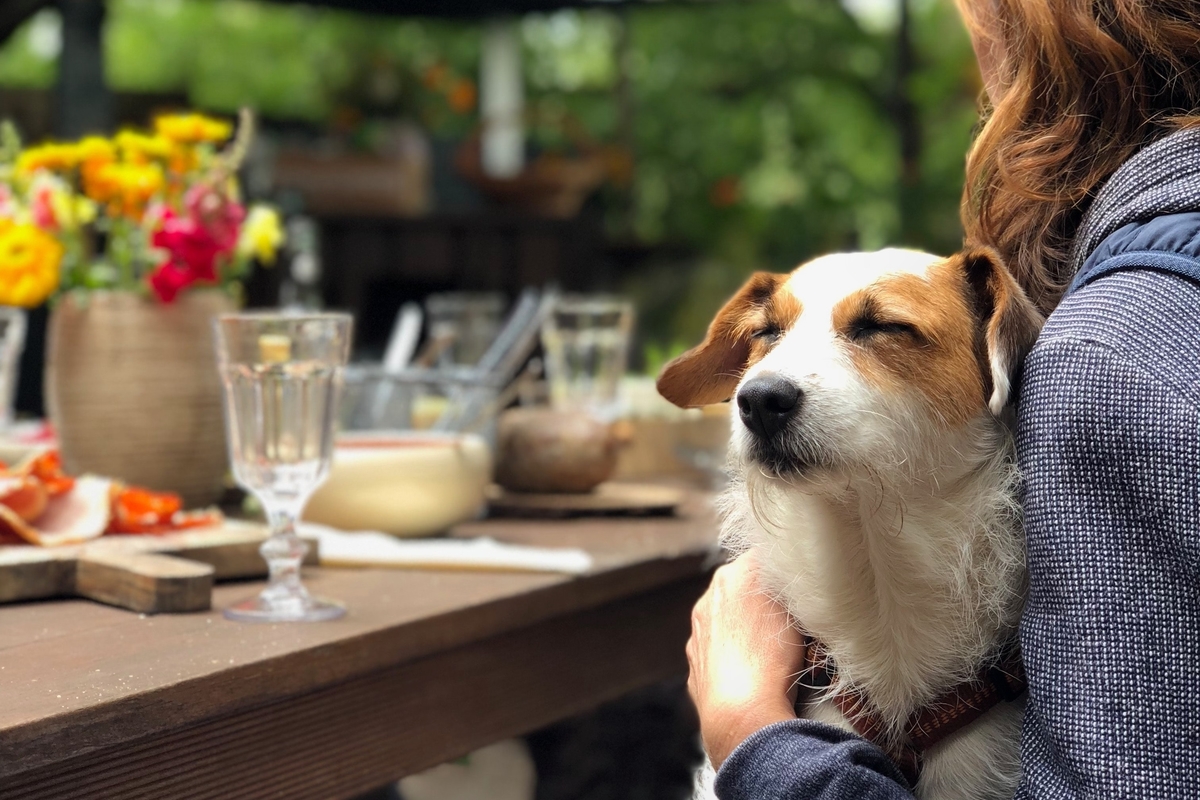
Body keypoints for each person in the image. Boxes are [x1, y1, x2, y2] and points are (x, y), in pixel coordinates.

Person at [687, 1, 1200, 797]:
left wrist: (750, 731)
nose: (764, 386)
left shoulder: (1105, 355)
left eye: (881, 329)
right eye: (768, 335)